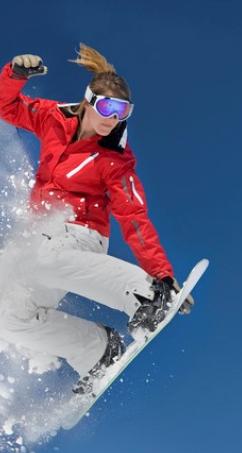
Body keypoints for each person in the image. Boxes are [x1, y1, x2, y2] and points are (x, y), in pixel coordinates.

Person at [0, 43, 192, 394]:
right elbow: (6, 106)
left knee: (43, 260)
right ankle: (96, 350)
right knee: (6, 314)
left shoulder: (115, 159)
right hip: (39, 237)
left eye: (122, 112)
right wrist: (14, 76)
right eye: (106, 107)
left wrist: (161, 274)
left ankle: (145, 295)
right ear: (88, 101)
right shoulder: (52, 118)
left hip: (79, 235)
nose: (112, 118)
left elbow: (133, 215)